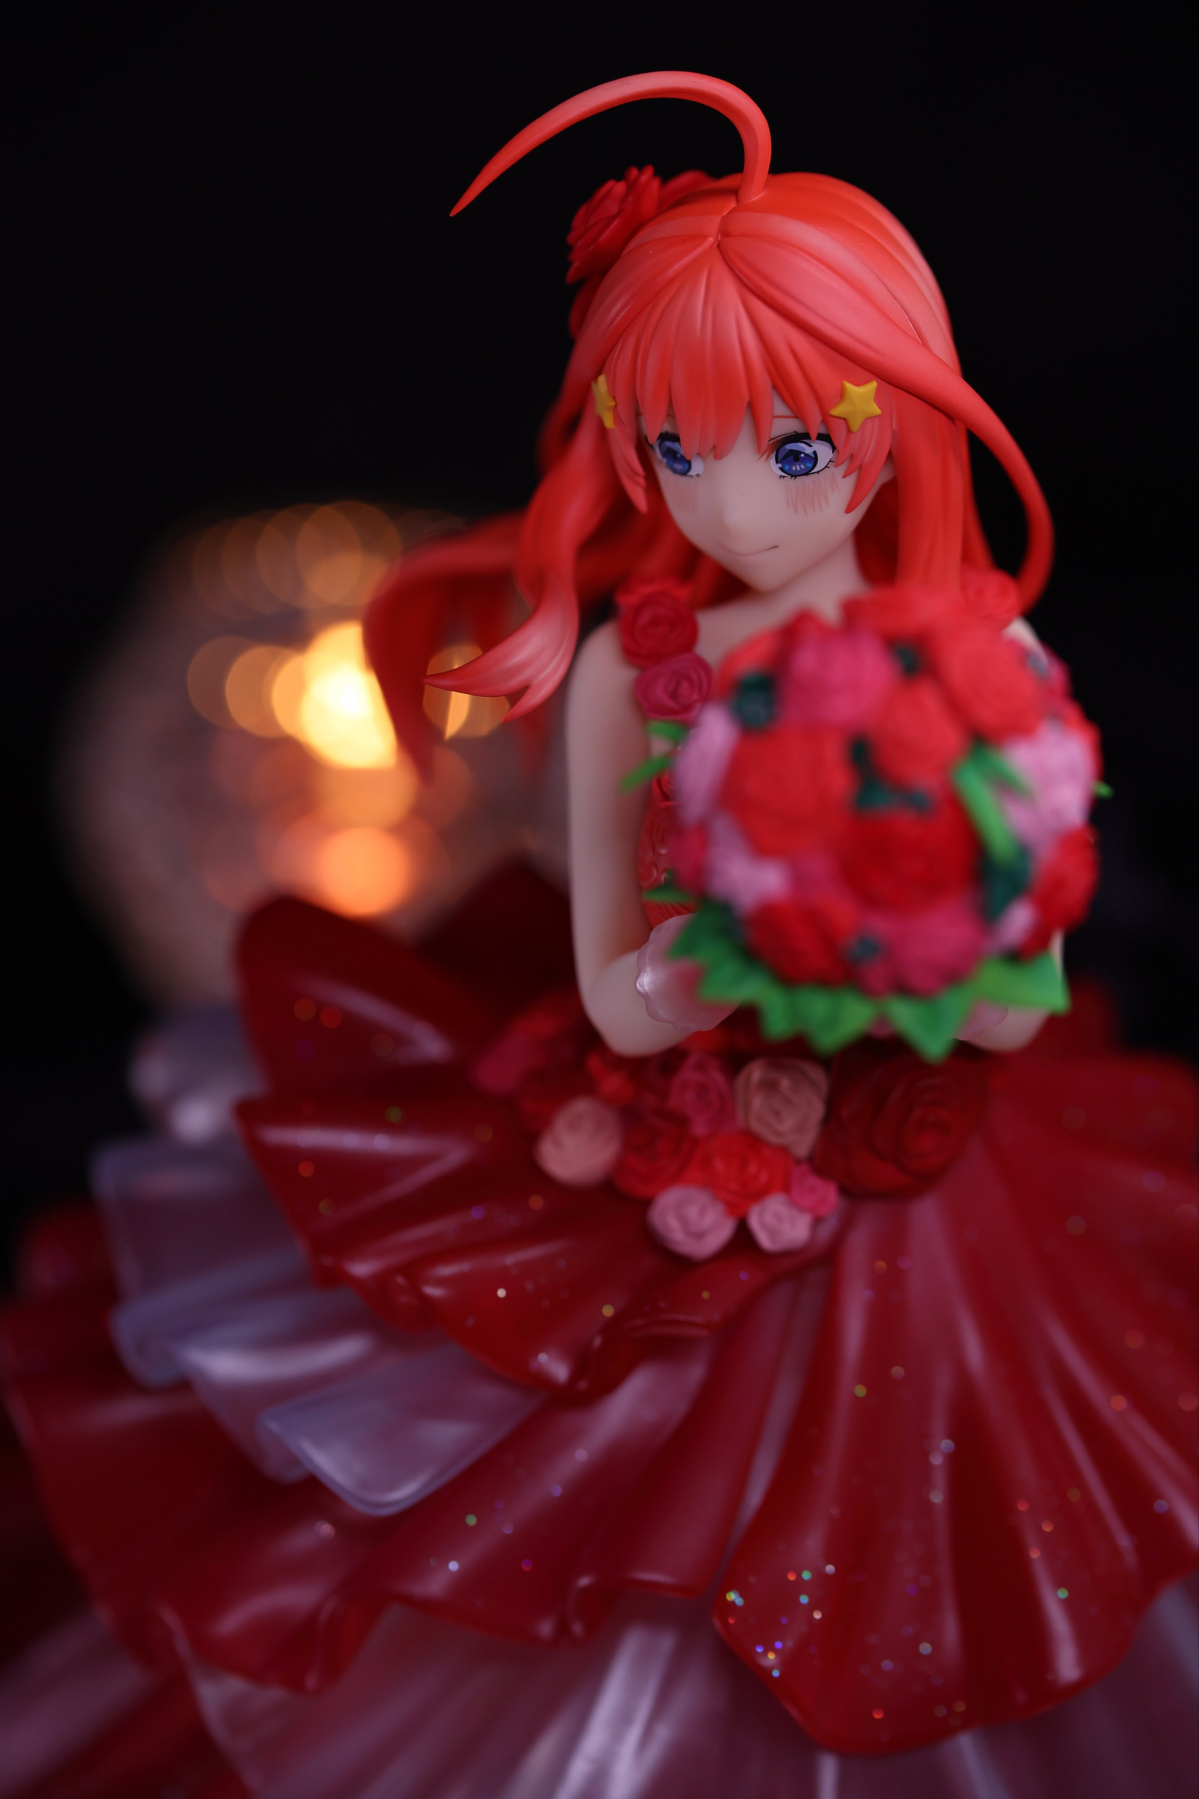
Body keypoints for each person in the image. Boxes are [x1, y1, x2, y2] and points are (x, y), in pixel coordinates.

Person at [2, 73, 1194, 1799]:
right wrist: (748, 949)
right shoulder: (636, 672)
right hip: (666, 1152)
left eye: (793, 447)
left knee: (926, 1565)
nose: (736, 505)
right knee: (566, 1569)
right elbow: (621, 1003)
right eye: (676, 450)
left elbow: (1019, 1009)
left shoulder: (982, 663)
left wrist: (899, 948)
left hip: (922, 1200)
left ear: (891, 418)